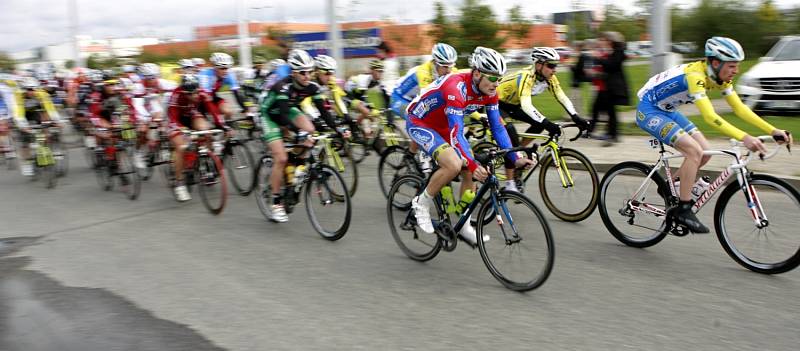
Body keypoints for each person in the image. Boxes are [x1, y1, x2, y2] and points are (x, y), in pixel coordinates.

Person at [636, 36, 792, 233]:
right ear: (716, 63)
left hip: (668, 110)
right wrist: (745, 138)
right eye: (732, 66)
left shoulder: (721, 78)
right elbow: (710, 117)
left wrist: (772, 130)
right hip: (649, 111)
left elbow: (740, 109)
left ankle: (669, 187)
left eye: (737, 66)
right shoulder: (695, 76)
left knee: (706, 152)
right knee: (693, 151)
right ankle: (683, 210)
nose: (737, 71)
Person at [406, 47, 534, 244]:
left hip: (444, 125)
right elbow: (457, 133)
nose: (496, 83)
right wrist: (473, 164)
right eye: (492, 78)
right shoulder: (455, 88)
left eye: (499, 78)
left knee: (467, 170)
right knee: (455, 164)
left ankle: (464, 226)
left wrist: (514, 159)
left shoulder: (490, 91)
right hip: (421, 122)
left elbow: (498, 127)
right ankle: (421, 203)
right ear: (476, 73)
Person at [259, 49, 339, 223]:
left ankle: (294, 165)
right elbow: (284, 114)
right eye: (303, 72)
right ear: (294, 73)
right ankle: (276, 202)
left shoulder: (312, 86)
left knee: (310, 131)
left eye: (310, 71)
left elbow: (324, 112)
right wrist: (296, 133)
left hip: (288, 111)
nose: (307, 76)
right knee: (280, 158)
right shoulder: (283, 86)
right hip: (271, 115)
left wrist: (337, 129)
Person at [496, 47, 589, 191]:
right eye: (551, 65)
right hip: (497, 103)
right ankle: (510, 184)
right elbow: (527, 105)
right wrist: (548, 123)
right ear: (539, 65)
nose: (554, 69)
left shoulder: (549, 78)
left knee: (538, 125)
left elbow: (562, 97)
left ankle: (521, 151)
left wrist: (576, 117)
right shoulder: (526, 76)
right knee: (510, 132)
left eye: (556, 66)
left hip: (514, 105)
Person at [166, 75, 227, 202]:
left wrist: (222, 125)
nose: (194, 96)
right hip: (176, 120)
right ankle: (179, 183)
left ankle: (206, 164)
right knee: (181, 147)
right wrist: (182, 130)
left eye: (195, 92)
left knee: (206, 130)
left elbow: (212, 110)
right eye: (190, 94)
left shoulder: (201, 93)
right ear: (183, 92)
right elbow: (172, 116)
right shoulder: (176, 95)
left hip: (191, 115)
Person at [590, 31, 629, 146]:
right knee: (609, 112)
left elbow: (611, 65)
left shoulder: (619, 52)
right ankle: (611, 134)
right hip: (610, 86)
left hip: (614, 87)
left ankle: (613, 135)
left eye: (606, 40)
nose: (605, 42)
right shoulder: (615, 52)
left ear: (611, 41)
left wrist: (598, 60)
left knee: (611, 113)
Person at [198, 53, 247, 120]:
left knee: (228, 112)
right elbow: (206, 99)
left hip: (212, 96)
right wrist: (217, 120)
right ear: (214, 67)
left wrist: (246, 109)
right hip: (199, 100)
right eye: (222, 68)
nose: (225, 71)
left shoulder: (229, 74)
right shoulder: (206, 75)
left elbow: (237, 93)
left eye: (227, 68)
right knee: (206, 124)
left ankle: (228, 126)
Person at [569, 41, 590, 116]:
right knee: (574, 98)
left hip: (577, 80)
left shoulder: (581, 56)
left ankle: (579, 114)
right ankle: (575, 113)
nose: (574, 48)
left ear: (578, 47)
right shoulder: (577, 56)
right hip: (575, 80)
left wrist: (572, 67)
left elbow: (579, 69)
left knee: (576, 98)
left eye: (575, 47)